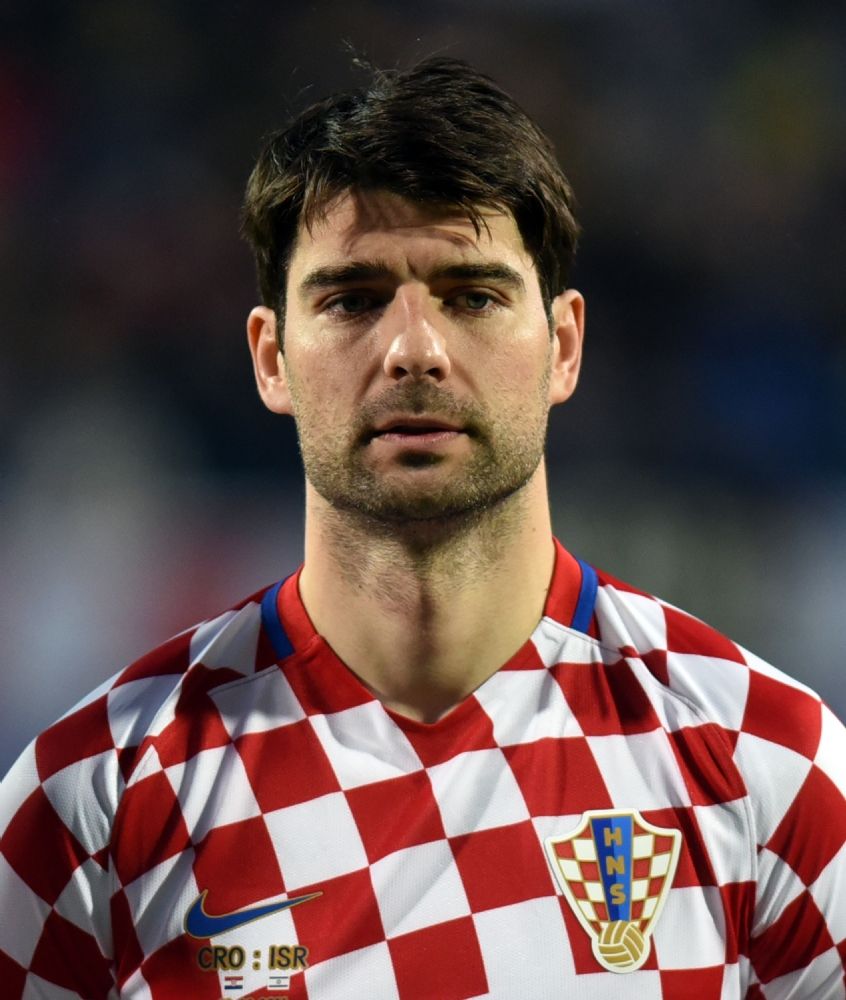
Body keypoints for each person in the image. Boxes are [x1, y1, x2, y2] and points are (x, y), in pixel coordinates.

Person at [1, 57, 844, 1000]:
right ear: (271, 359)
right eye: (353, 299)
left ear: (563, 347)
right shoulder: (91, 797)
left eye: (473, 295)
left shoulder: (769, 763)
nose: (414, 351)